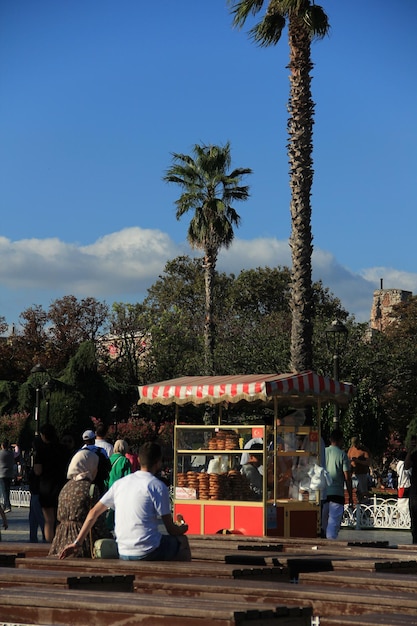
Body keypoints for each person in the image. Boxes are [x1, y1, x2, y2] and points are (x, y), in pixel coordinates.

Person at [59, 441, 191, 562]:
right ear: (159, 462)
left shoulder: (120, 484)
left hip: (123, 550)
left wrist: (77, 543)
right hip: (149, 550)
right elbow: (170, 528)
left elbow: (93, 513)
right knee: (182, 542)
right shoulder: (157, 486)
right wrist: (182, 529)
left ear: (138, 460)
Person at [49, 449, 112, 557]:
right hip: (81, 540)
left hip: (60, 540)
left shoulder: (66, 487)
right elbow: (97, 520)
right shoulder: (90, 488)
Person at [34, 424, 71, 542]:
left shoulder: (41, 451)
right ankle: (61, 541)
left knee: (49, 520)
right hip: (61, 485)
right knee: (60, 519)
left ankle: (50, 545)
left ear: (44, 436)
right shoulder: (63, 449)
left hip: (46, 487)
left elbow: (38, 471)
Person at [322, 429, 353, 540]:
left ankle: (322, 545)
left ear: (330, 439)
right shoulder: (342, 455)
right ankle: (331, 545)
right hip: (337, 494)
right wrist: (350, 495)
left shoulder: (323, 452)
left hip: (323, 493)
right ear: (341, 441)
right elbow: (347, 478)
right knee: (333, 523)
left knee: (324, 523)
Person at [105, 439, 132, 530]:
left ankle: (107, 529)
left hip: (109, 488)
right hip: (120, 490)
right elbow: (128, 478)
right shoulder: (125, 461)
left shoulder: (109, 459)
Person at [81, 430, 111, 496]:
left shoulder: (80, 451)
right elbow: (108, 465)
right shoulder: (101, 450)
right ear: (94, 439)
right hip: (99, 481)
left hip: (84, 481)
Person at [347, 436, 370, 501]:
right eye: (354, 445)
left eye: (356, 444)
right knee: (353, 491)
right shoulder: (351, 450)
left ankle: (364, 503)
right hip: (353, 473)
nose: (355, 446)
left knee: (363, 492)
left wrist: (358, 461)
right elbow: (348, 459)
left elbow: (368, 462)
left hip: (362, 473)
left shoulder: (364, 450)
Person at [404, 435, 417, 543]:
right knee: (414, 513)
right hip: (415, 489)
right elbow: (406, 466)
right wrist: (409, 451)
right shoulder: (414, 455)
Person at [395, 450, 411, 522]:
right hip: (404, 485)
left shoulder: (399, 464)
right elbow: (405, 474)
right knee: (404, 502)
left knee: (402, 501)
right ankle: (404, 518)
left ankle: (403, 517)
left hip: (401, 486)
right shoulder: (403, 464)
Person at [0, 440, 15, 513]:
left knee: (4, 490)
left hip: (2, 474)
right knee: (7, 490)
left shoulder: (1, 453)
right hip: (9, 474)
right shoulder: (11, 453)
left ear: (2, 446)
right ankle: (6, 504)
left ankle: (7, 506)